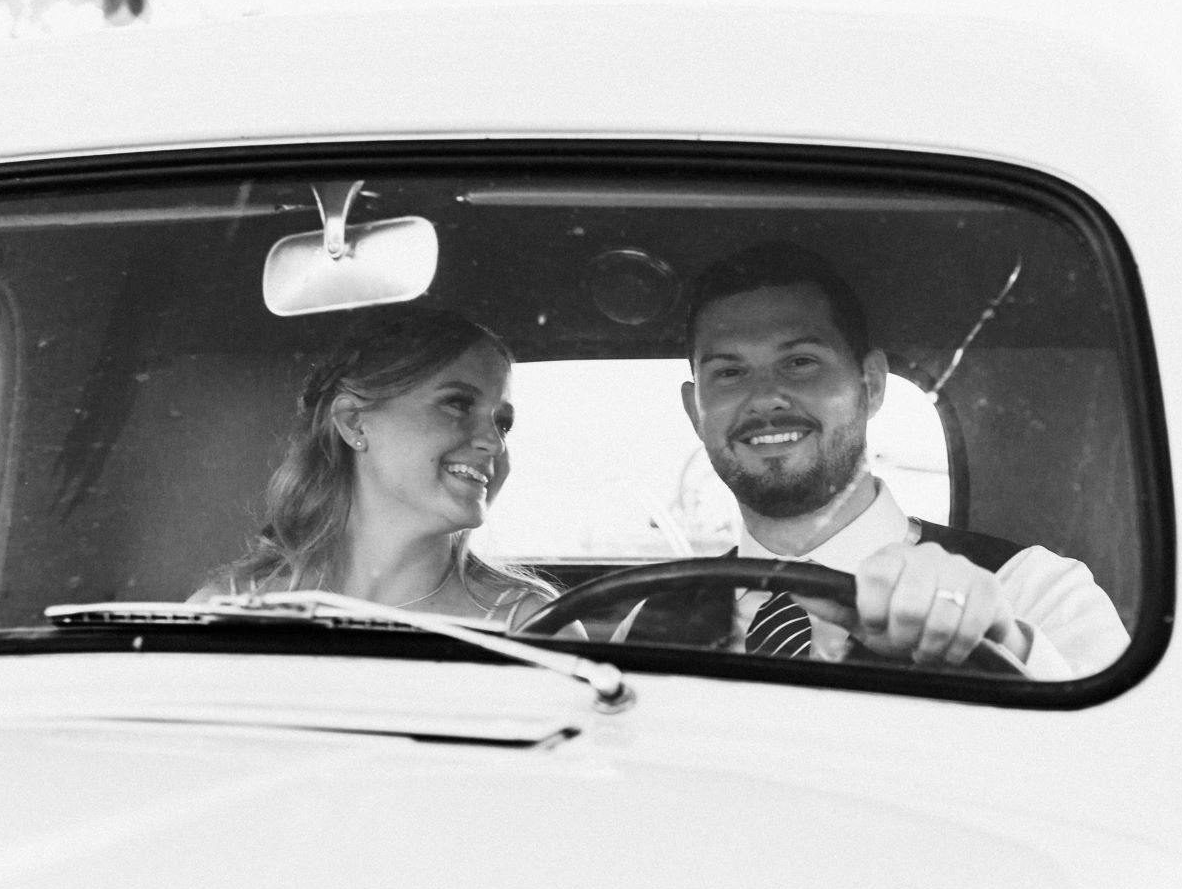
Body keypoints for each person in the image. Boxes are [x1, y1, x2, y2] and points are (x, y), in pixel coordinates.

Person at [629, 241, 1129, 678]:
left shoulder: (1032, 590)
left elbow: (1134, 767)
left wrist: (1004, 646)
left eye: (800, 363)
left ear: (871, 385)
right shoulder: (648, 623)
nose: (765, 399)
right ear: (695, 411)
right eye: (730, 373)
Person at [194, 305, 554, 625]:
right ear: (354, 422)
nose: (494, 442)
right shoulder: (225, 613)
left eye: (503, 424)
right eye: (457, 404)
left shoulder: (531, 628)